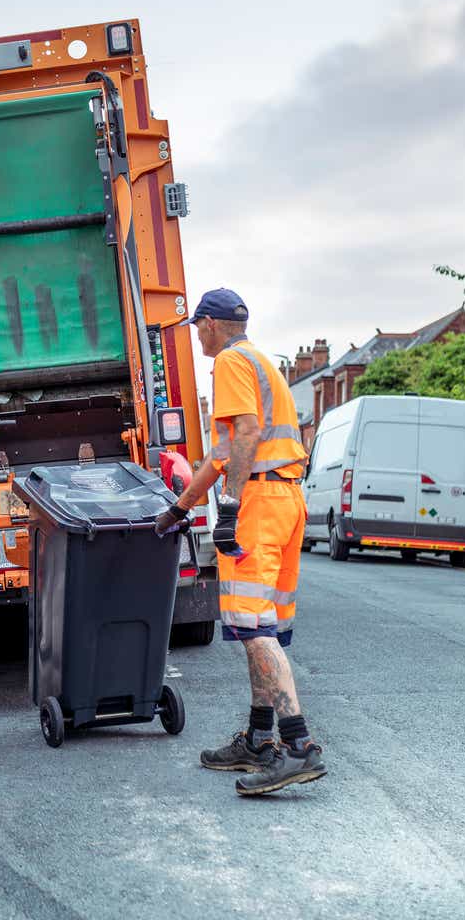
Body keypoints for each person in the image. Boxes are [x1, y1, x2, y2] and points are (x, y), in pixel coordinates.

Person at [154, 289, 327, 795]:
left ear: (209, 324)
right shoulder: (262, 364)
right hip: (286, 502)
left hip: (258, 506)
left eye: (197, 329)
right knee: (260, 625)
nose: (198, 339)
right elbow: (222, 454)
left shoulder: (230, 361)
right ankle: (257, 738)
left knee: (254, 630)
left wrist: (227, 509)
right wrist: (180, 509)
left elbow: (247, 436)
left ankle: (298, 749)